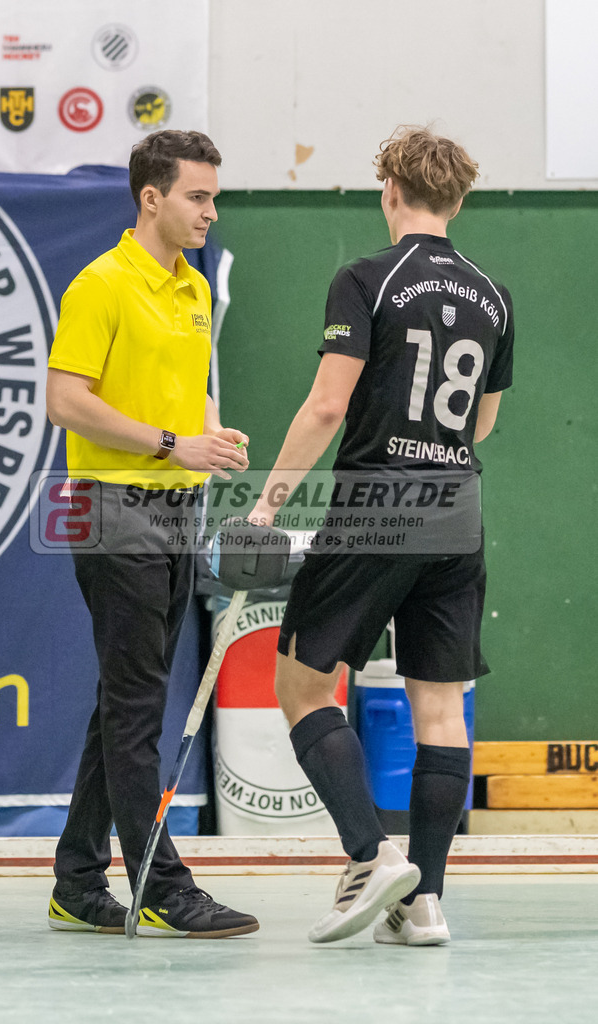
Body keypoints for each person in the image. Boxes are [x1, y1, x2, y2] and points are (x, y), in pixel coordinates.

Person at [248, 125, 514, 945]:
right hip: (457, 510)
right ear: (459, 200)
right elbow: (483, 422)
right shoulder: (493, 294)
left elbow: (328, 405)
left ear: (389, 191)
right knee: (438, 710)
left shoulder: (366, 277)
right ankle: (421, 903)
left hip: (376, 504)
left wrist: (266, 507)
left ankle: (369, 854)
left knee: (300, 685)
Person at [45, 130, 258, 938]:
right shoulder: (100, 285)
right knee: (136, 711)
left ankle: (75, 878)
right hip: (114, 511)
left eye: (213, 196)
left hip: (178, 510)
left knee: (121, 706)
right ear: (151, 198)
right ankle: (161, 885)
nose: (210, 211)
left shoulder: (194, 288)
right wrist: (173, 446)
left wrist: (209, 437)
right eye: (198, 197)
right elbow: (66, 400)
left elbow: (190, 390)